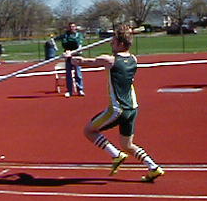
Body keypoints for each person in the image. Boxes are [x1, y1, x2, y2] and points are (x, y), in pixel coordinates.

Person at [70, 25, 164, 182]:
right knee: (127, 145)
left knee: (89, 131)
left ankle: (116, 155)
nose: (110, 44)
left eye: (113, 42)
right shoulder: (134, 59)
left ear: (120, 43)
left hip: (117, 109)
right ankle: (153, 167)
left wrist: (69, 57)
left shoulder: (110, 60)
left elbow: (83, 62)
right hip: (132, 108)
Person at [55, 22, 85, 97]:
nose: (72, 28)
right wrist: (68, 49)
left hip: (76, 56)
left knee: (78, 73)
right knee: (68, 74)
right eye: (70, 27)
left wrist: (75, 49)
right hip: (68, 56)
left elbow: (78, 44)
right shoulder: (66, 35)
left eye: (73, 26)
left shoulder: (78, 35)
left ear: (75, 27)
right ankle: (69, 91)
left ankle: (80, 90)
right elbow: (65, 44)